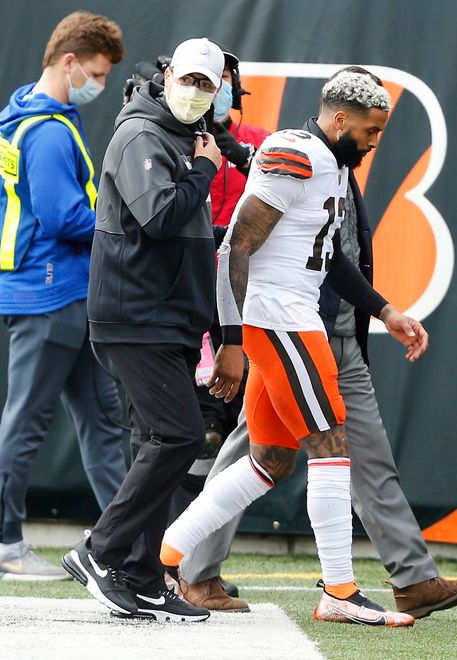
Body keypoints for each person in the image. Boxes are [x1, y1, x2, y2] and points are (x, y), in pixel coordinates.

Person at [176, 66, 457, 618]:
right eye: (371, 131)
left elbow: (328, 256)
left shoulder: (330, 160)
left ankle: (160, 555)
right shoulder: (298, 152)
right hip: (286, 324)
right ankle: (335, 593)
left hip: (317, 327)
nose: (373, 143)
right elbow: (236, 249)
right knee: (325, 447)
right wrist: (232, 338)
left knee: (275, 459)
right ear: (340, 117)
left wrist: (382, 309)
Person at [61, 37, 225, 623]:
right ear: (167, 76)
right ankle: (99, 550)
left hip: (169, 317)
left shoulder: (183, 137)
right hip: (136, 314)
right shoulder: (140, 134)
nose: (196, 93)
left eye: (208, 85)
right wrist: (206, 168)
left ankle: (142, 574)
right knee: (179, 437)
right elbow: (159, 217)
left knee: (154, 443)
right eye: (189, 80)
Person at [0, 11, 126, 581]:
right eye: (95, 73)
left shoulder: (25, 117)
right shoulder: (44, 129)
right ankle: (4, 547)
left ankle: (128, 546)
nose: (99, 85)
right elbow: (64, 216)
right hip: (50, 294)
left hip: (53, 291)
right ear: (69, 62)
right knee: (28, 421)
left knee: (101, 421)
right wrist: (126, 224)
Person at [171, 48, 270, 522]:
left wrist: (234, 150)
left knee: (228, 426)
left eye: (225, 80)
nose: (217, 89)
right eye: (210, 80)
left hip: (241, 293)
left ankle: (198, 555)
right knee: (183, 426)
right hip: (185, 287)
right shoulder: (174, 137)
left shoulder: (259, 142)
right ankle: (165, 546)